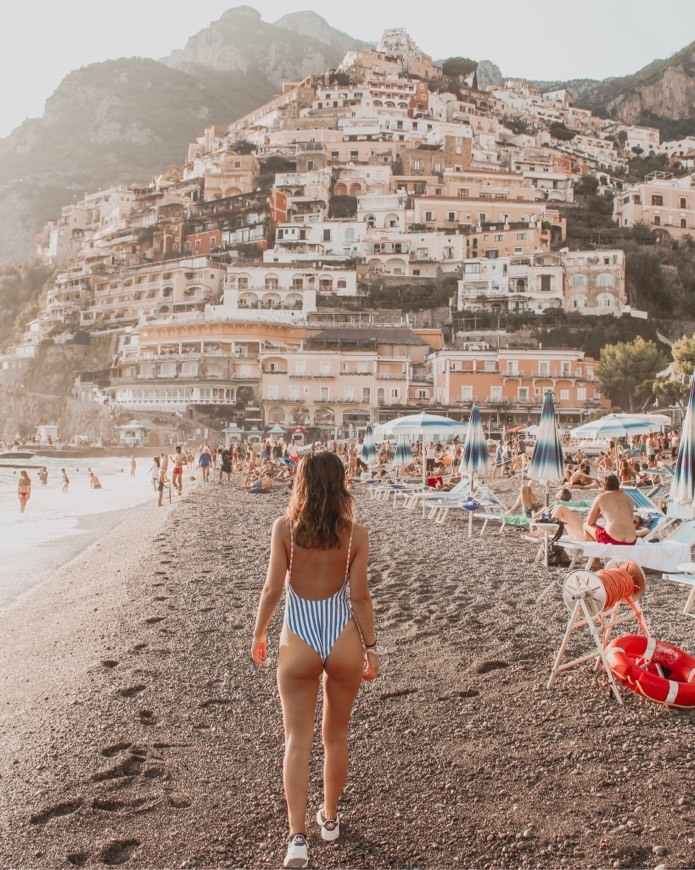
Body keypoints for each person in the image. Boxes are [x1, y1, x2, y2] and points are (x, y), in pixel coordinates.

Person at [251, 452, 378, 869]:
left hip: (299, 636)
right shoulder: (355, 534)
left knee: (297, 741)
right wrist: (372, 647)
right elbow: (359, 597)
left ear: (301, 483)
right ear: (341, 483)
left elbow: (272, 589)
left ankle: (298, 839)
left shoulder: (285, 529)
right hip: (342, 637)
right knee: (336, 737)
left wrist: (259, 632)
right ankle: (330, 820)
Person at [584, 474, 637, 545]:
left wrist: (600, 515)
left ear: (605, 488)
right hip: (631, 540)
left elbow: (590, 522)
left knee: (585, 525)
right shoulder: (629, 498)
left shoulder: (601, 497)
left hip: (611, 539)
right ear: (618, 487)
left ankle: (595, 554)